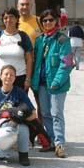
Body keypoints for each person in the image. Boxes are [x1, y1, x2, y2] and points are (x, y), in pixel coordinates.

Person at [31, 9, 73, 158]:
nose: (47, 23)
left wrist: (57, 81)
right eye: (44, 20)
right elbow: (36, 62)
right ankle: (50, 140)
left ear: (56, 20)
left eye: (50, 20)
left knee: (56, 114)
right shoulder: (40, 39)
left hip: (57, 85)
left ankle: (60, 143)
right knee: (46, 114)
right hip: (41, 83)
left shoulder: (62, 40)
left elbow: (67, 63)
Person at [0, 65, 37, 166]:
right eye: (6, 74)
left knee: (24, 129)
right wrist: (3, 118)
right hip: (2, 125)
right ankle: (6, 148)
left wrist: (19, 119)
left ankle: (23, 154)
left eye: (11, 75)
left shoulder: (20, 93)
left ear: (15, 78)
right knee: (0, 155)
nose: (8, 77)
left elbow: (33, 114)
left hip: (17, 123)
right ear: (0, 76)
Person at [0, 7, 33, 91]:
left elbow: (29, 59)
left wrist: (28, 78)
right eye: (5, 18)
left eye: (11, 17)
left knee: (18, 103)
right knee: (0, 103)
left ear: (16, 19)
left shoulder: (23, 36)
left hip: (19, 77)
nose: (8, 20)